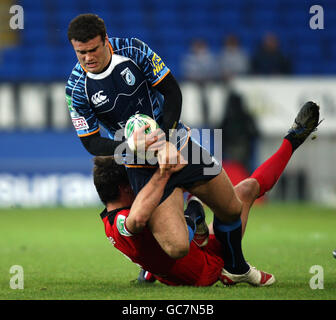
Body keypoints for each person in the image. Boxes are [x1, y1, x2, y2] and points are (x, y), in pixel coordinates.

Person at [65, 13, 320, 282]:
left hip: (181, 145)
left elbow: (172, 92)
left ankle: (235, 267)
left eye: (93, 49)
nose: (87, 58)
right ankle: (191, 219)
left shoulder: (133, 50)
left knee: (232, 208)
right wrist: (130, 146)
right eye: (80, 52)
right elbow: (91, 142)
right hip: (142, 168)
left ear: (106, 40)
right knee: (176, 247)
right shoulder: (76, 89)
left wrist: (165, 138)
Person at [93, 101, 321, 286]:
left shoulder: (108, 221)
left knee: (243, 189)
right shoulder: (123, 221)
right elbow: (138, 223)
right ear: (125, 188)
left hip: (188, 252)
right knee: (245, 192)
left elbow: (146, 244)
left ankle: (293, 137)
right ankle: (206, 229)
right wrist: (189, 211)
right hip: (206, 267)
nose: (136, 186)